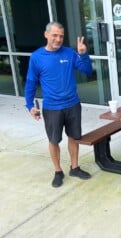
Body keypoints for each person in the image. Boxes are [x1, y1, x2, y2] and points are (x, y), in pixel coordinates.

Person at [24, 21, 93, 188]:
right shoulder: (37, 57)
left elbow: (88, 71)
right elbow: (31, 82)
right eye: (54, 35)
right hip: (52, 107)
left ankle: (74, 167)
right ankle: (58, 171)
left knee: (74, 137)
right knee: (54, 140)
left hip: (73, 104)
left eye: (61, 36)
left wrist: (83, 54)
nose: (58, 39)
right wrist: (29, 105)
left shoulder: (69, 53)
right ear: (46, 34)